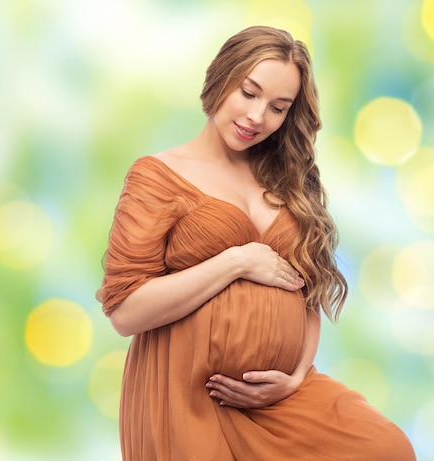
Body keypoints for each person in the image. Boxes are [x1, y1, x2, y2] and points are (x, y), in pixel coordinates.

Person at [97, 25, 416, 461]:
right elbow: (125, 312)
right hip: (186, 394)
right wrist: (235, 262)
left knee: (387, 450)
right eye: (248, 93)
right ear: (221, 78)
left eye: (278, 107)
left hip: (282, 398)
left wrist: (298, 375)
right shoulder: (156, 175)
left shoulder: (287, 181)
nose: (256, 117)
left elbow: (306, 293)